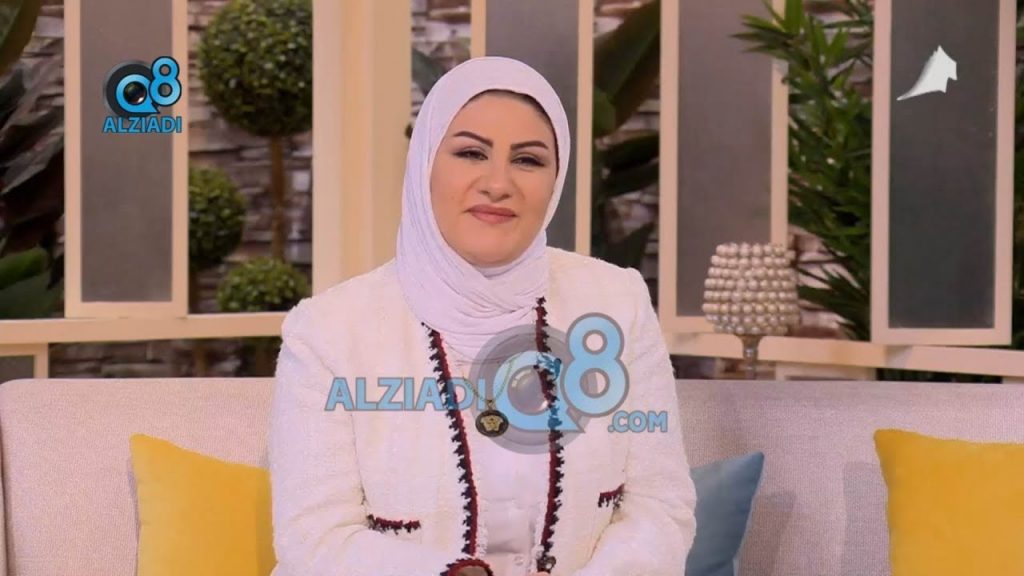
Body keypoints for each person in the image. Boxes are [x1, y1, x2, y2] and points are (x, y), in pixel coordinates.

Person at [268, 56, 697, 576]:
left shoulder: (616, 304)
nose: (498, 183)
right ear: (425, 165)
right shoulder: (329, 332)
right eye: (471, 153)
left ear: (555, 181)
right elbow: (315, 540)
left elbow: (660, 506)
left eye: (528, 160)